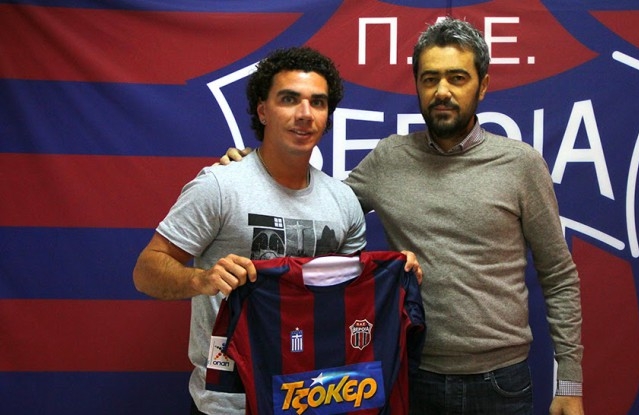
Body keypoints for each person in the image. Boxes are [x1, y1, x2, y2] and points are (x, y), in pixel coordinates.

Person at [222, 18, 584, 415]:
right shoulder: (390, 158)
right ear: (417, 85)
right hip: (410, 375)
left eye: (457, 78)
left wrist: (570, 384)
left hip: (500, 383)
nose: (442, 91)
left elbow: (559, 276)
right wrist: (259, 169)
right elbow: (320, 205)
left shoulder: (521, 164)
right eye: (430, 79)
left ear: (482, 85)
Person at [133, 46, 421, 415]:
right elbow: (146, 271)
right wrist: (202, 280)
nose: (305, 114)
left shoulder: (344, 201)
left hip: (317, 396)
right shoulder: (220, 186)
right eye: (289, 99)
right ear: (263, 110)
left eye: (318, 103)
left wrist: (396, 272)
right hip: (230, 404)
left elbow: (350, 299)